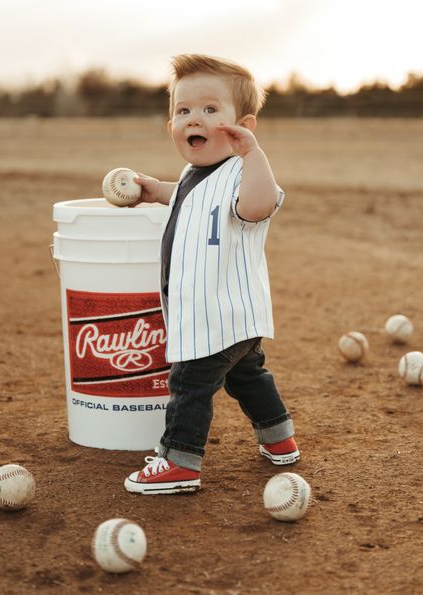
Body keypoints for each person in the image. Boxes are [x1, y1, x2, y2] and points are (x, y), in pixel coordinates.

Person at [124, 54, 299, 495]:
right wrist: (155, 191)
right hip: (237, 318)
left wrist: (253, 154)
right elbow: (190, 201)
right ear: (171, 127)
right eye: (183, 111)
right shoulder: (193, 175)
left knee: (188, 386)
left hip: (210, 319)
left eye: (209, 109)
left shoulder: (243, 173)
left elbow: (259, 205)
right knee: (248, 377)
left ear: (242, 125)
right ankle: (280, 439)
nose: (193, 119)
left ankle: (180, 461)